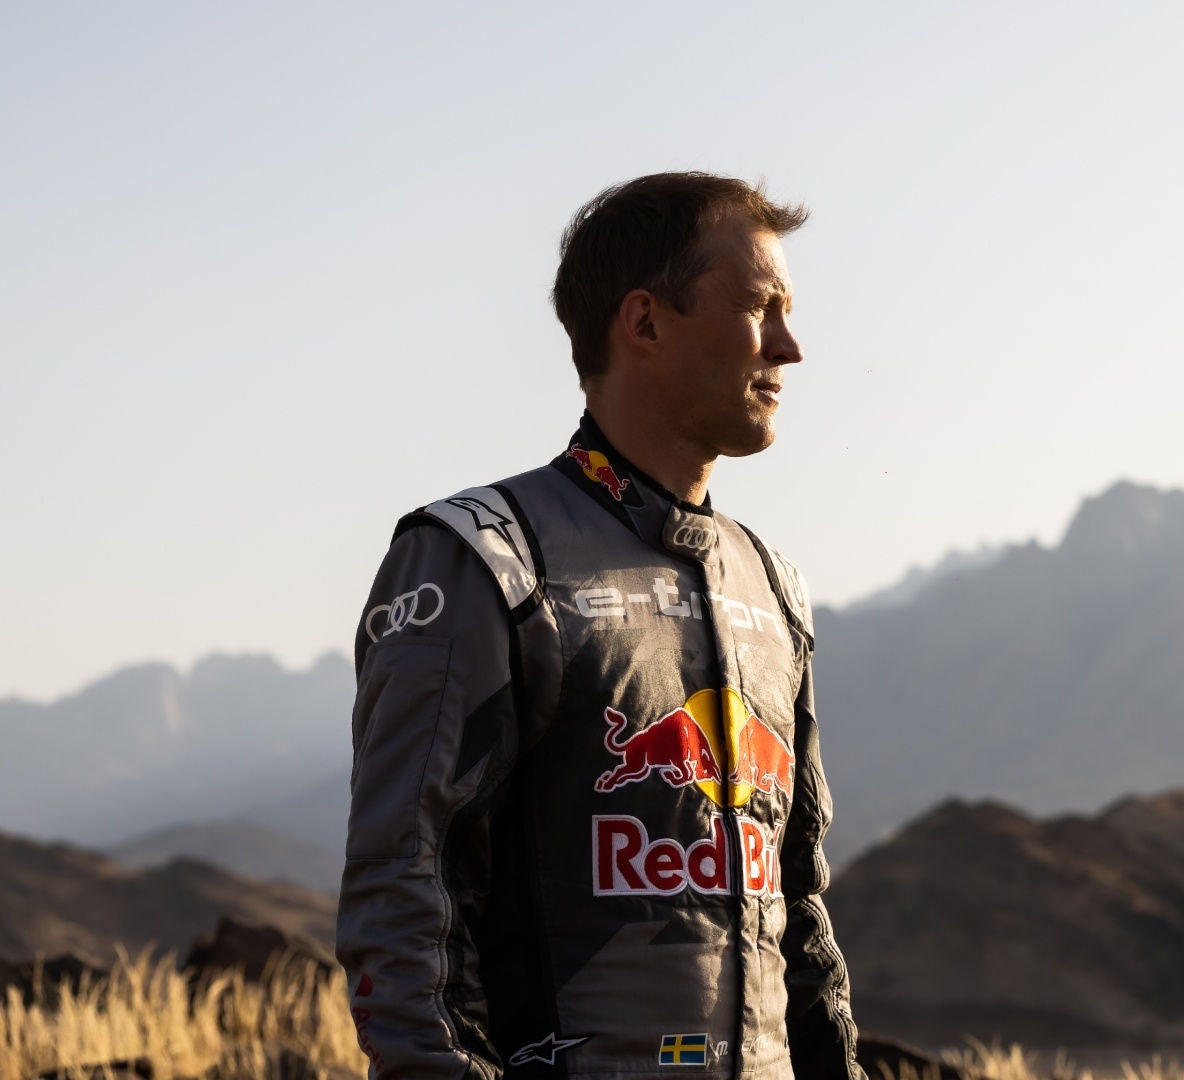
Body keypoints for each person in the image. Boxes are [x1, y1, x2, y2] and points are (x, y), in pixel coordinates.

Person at [337, 172, 864, 1080]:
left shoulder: (774, 586)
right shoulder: (480, 557)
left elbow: (799, 910)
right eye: (757, 307)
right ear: (646, 323)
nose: (791, 345)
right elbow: (404, 891)